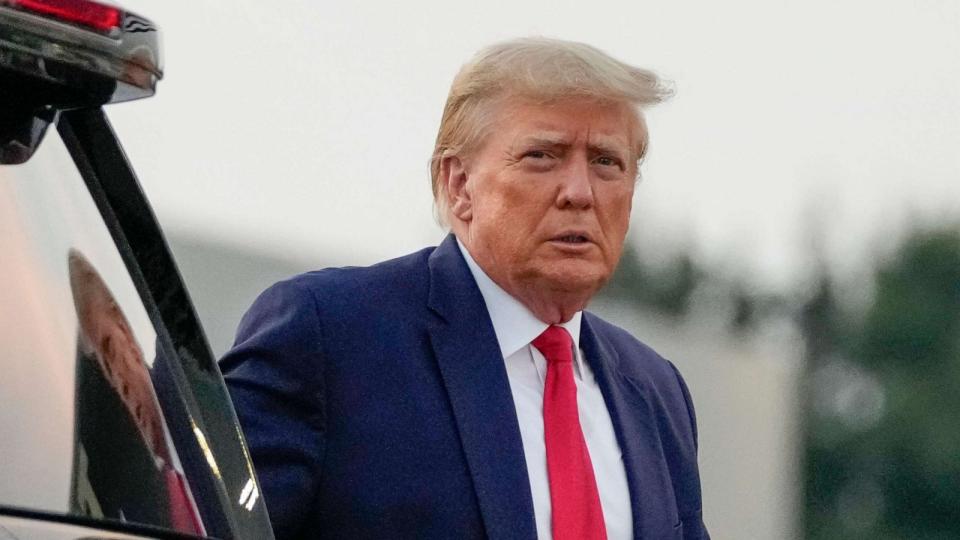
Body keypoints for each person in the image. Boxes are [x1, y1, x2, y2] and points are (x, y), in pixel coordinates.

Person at [221, 37, 709, 540]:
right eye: (543, 155)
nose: (580, 193)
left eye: (607, 162)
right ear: (458, 184)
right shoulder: (329, 336)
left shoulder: (656, 391)